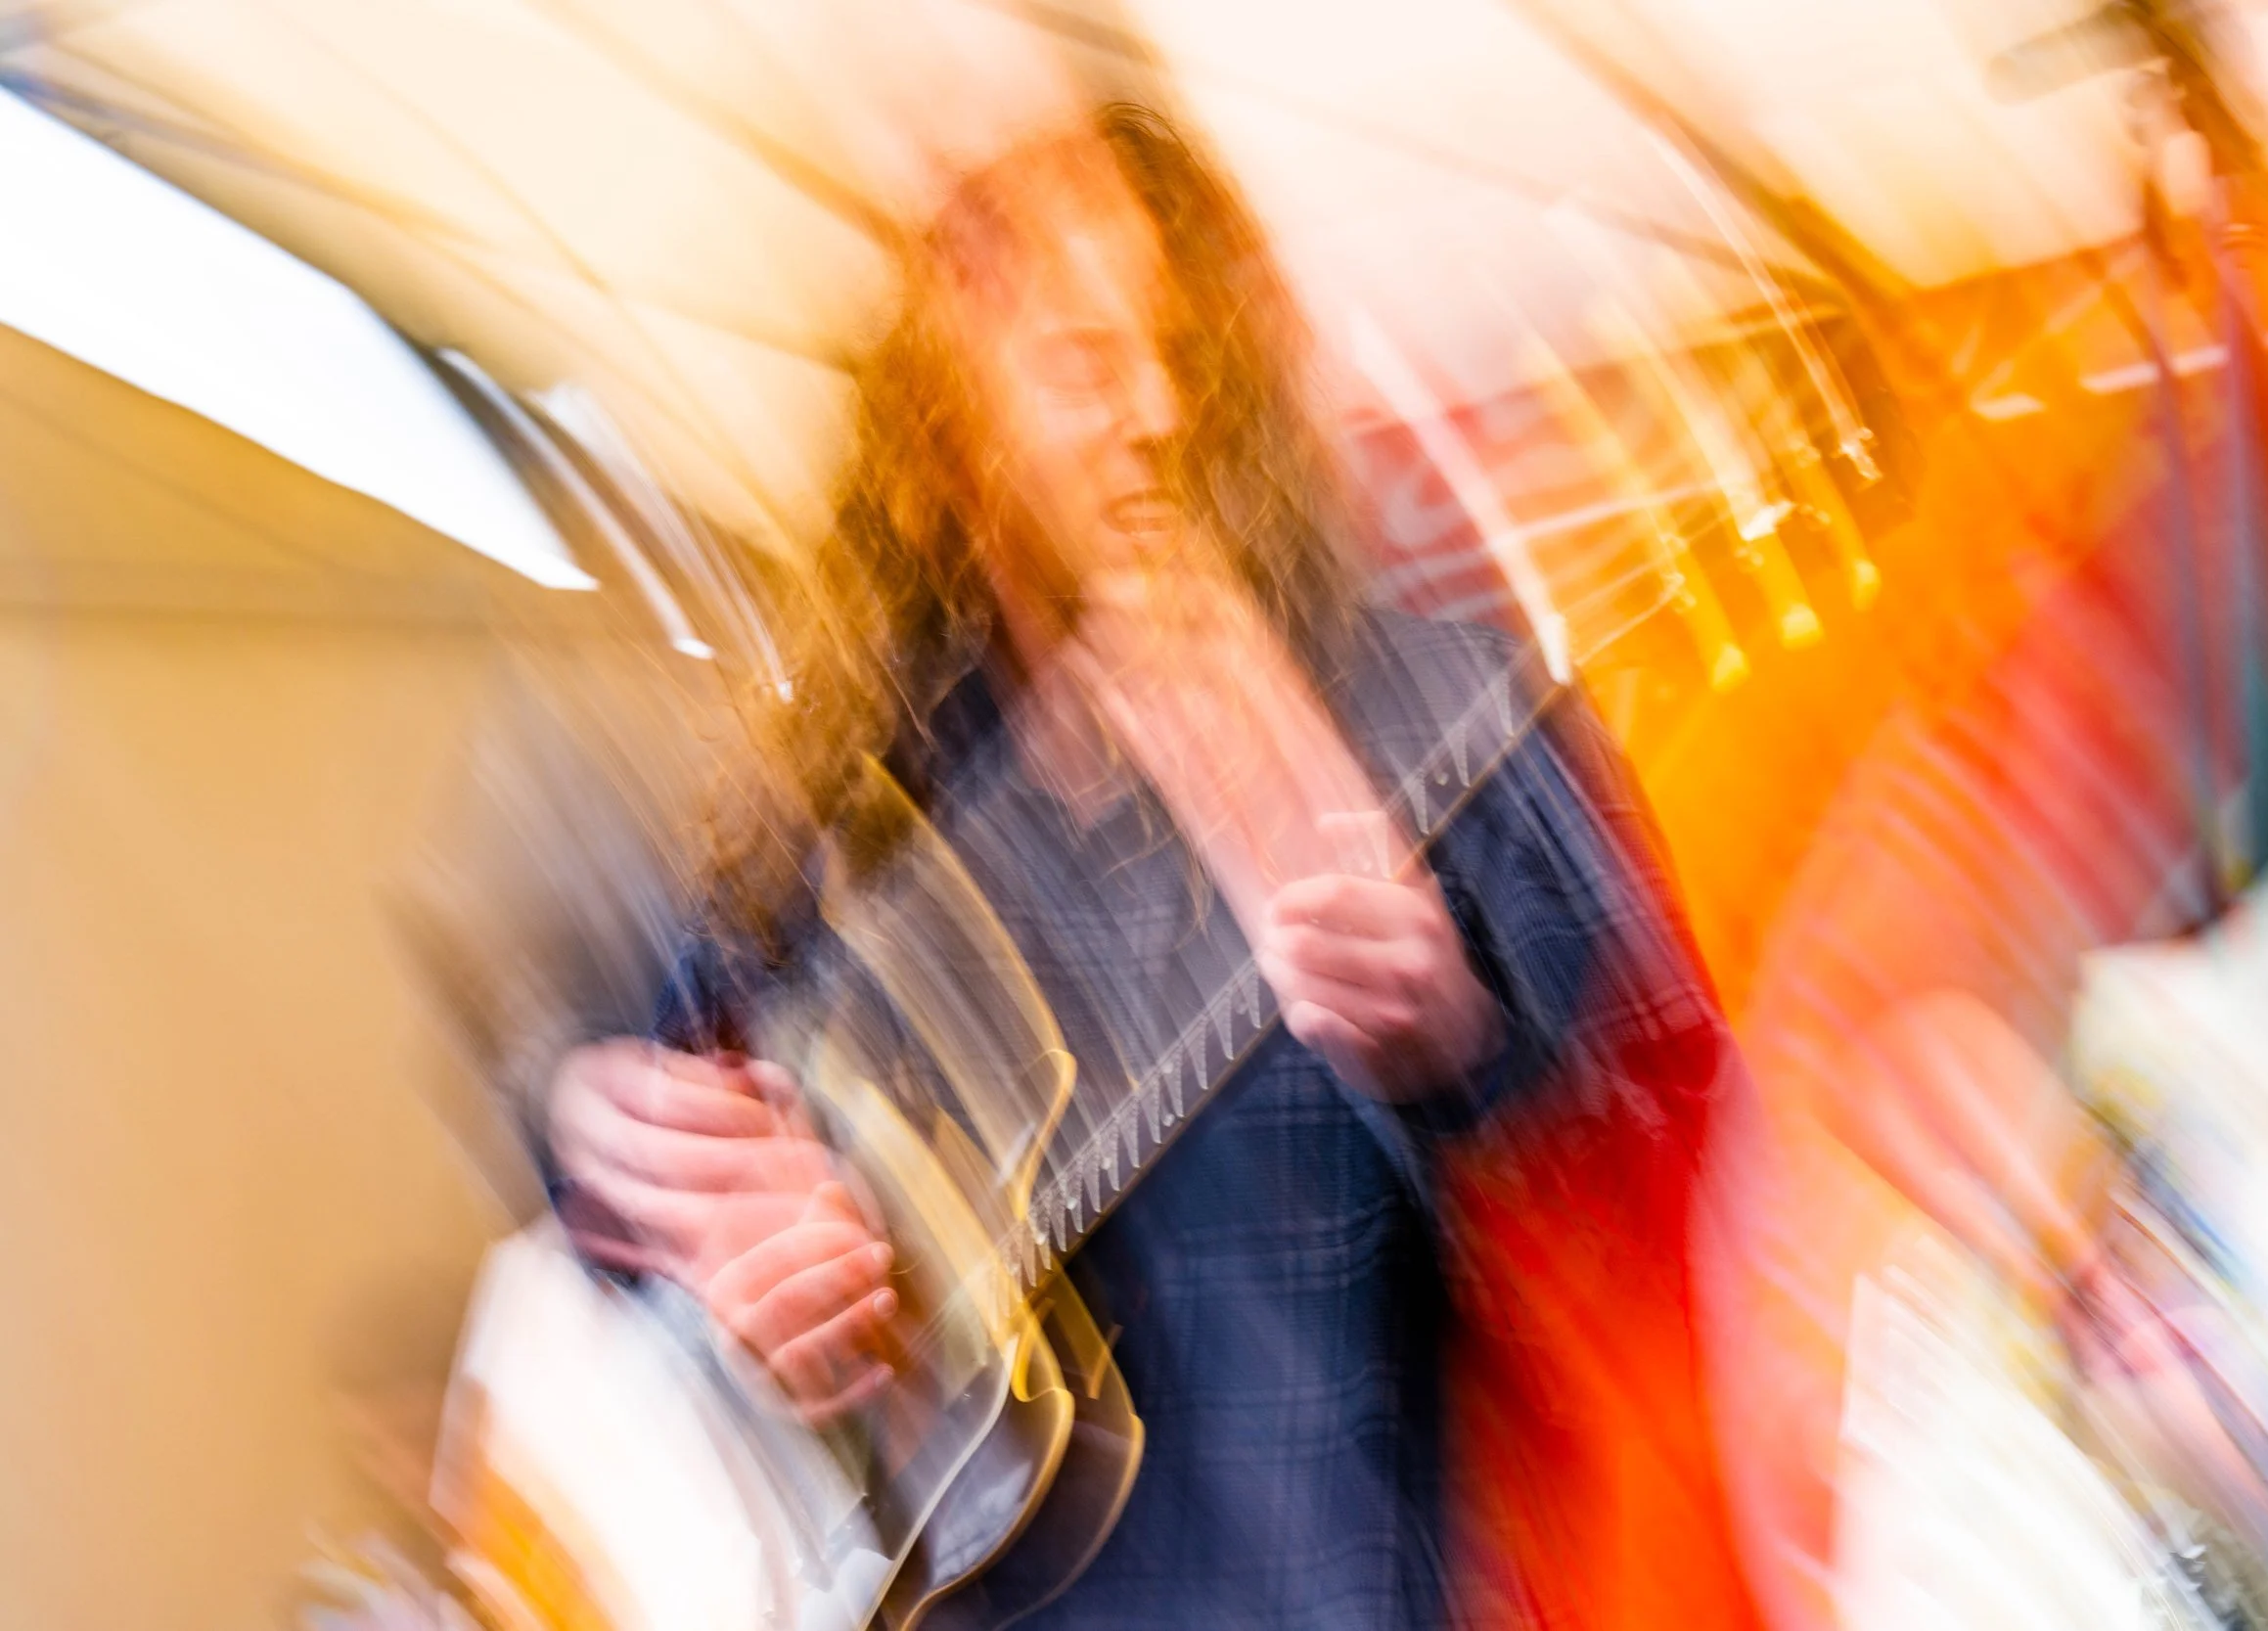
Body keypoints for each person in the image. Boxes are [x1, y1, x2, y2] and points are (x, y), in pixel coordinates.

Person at [540, 103, 1733, 1629]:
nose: (1162, 408)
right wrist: (633, 1157)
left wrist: (1457, 1040)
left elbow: (1683, 1115)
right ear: (947, 420)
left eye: (1191, 349)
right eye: (1087, 362)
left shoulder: (1438, 713)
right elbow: (634, 1095)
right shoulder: (844, 807)